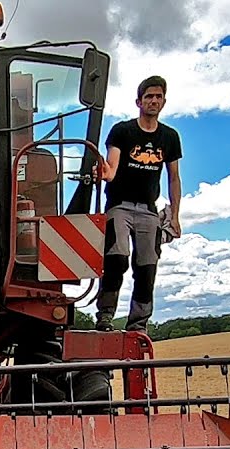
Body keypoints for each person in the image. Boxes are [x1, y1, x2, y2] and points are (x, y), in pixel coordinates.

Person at [93, 75, 182, 332]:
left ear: (164, 101)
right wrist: (104, 171)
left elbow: (174, 177)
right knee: (117, 257)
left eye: (158, 97)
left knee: (146, 267)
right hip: (119, 206)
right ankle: (105, 316)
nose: (153, 101)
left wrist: (174, 216)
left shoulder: (170, 137)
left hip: (148, 210)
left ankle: (138, 324)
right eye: (148, 97)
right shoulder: (123, 131)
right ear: (138, 102)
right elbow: (112, 168)